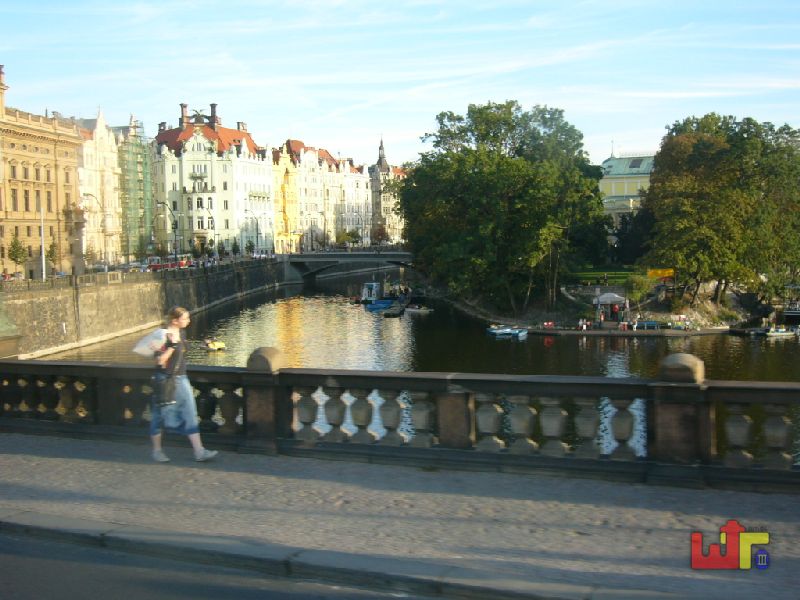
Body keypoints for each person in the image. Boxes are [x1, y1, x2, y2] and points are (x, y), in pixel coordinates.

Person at [150, 306, 218, 463]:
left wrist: (203, 343)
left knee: (190, 412)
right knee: (159, 415)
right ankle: (157, 451)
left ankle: (199, 451)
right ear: (175, 320)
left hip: (182, 378)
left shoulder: (181, 333)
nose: (188, 321)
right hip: (165, 379)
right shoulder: (162, 335)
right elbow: (160, 361)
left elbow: (183, 350)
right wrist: (172, 346)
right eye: (185, 318)